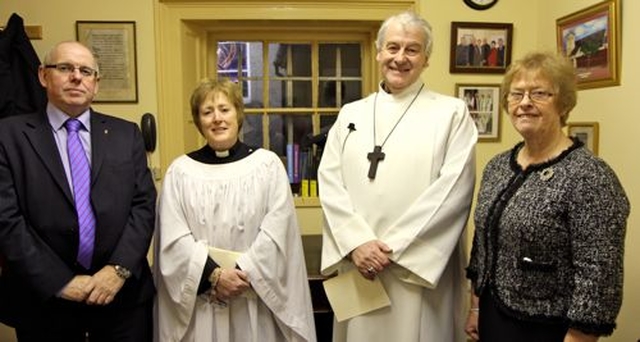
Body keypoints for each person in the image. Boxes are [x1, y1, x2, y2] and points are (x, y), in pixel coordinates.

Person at [318, 11, 477, 342]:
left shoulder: (450, 113)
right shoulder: (352, 113)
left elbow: (454, 191)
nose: (400, 58)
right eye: (392, 47)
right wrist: (356, 243)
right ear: (378, 52)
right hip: (360, 266)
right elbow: (329, 182)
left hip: (416, 273)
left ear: (426, 58)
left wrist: (391, 250)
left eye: (412, 49)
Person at [465, 52, 629, 342]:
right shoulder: (498, 166)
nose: (525, 102)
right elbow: (483, 243)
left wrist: (579, 337)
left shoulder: (590, 176)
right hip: (494, 317)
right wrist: (476, 307)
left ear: (563, 103)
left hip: (548, 328)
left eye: (539, 93)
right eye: (516, 94)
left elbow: (599, 277)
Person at [0, 40, 157, 341]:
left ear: (96, 84)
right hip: (44, 302)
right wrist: (59, 282)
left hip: (121, 300)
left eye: (86, 71)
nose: (76, 77)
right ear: (43, 76)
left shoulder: (126, 134)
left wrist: (118, 270)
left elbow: (143, 205)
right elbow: (6, 220)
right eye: (65, 68)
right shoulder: (9, 136)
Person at [154, 78, 316, 342]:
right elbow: (173, 240)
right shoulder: (180, 172)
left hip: (254, 297)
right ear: (199, 121)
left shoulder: (267, 165)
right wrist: (215, 277)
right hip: (203, 300)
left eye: (224, 109)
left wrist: (240, 273)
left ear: (238, 115)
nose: (217, 118)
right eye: (208, 112)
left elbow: (277, 231)